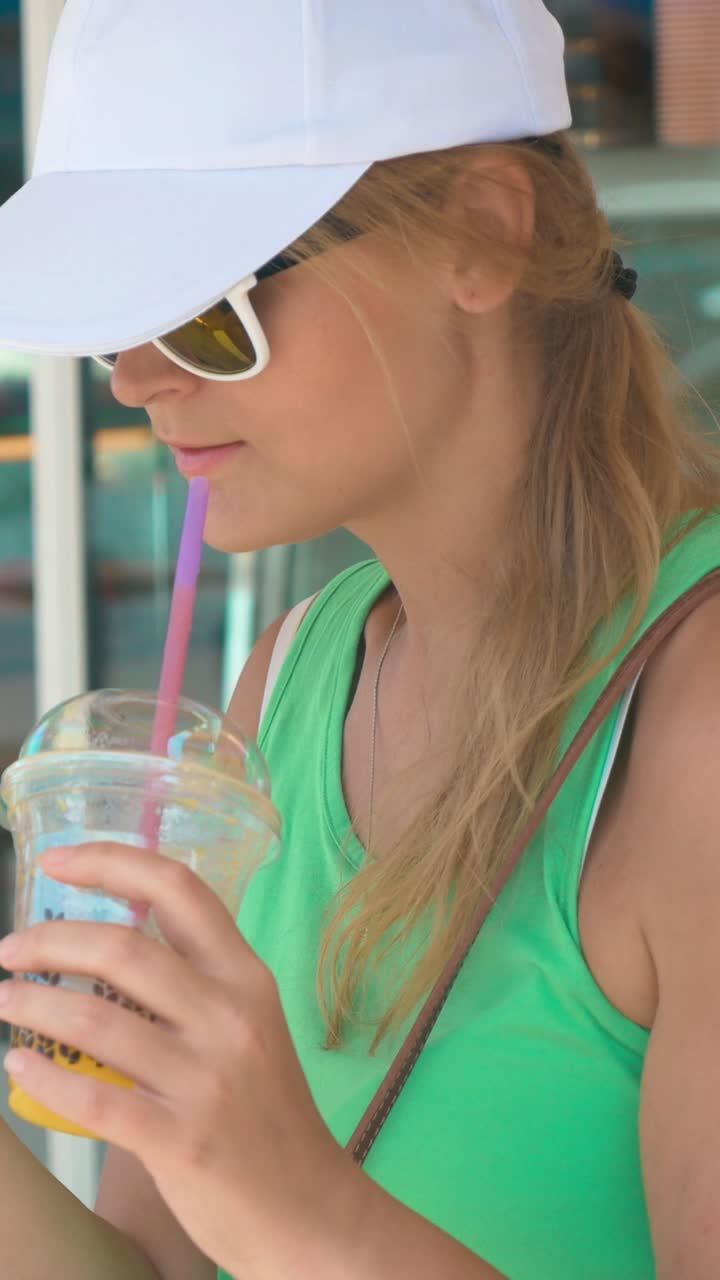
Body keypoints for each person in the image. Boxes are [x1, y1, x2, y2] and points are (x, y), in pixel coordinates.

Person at [0, 2, 719, 1278]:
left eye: (207, 304)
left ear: (483, 234)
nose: (139, 378)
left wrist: (292, 1198)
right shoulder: (289, 678)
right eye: (117, 312)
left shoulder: (695, 725)